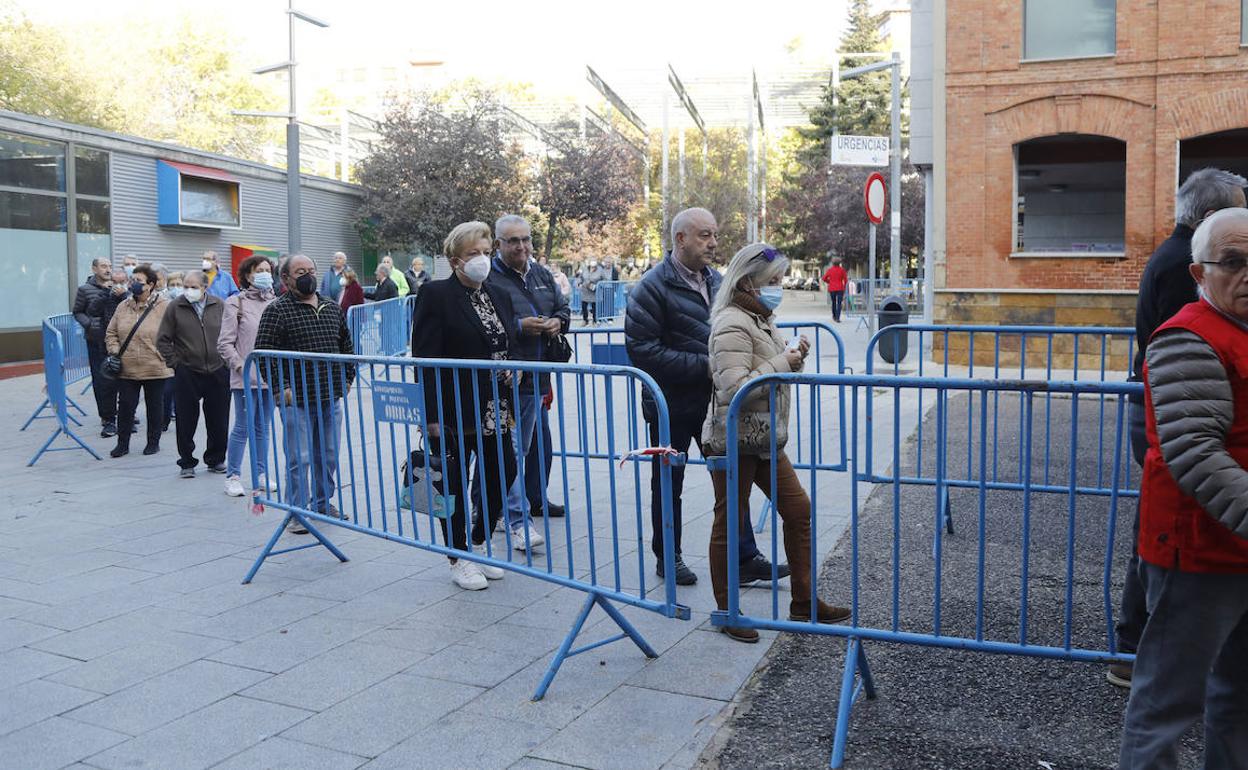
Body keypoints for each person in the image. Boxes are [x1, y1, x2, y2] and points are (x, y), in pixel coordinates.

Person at [1117, 207, 1248, 769]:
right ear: (1199, 273)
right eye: (1234, 263)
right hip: (1196, 553)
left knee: (1239, 699)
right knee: (1166, 705)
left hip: (1235, 546)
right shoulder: (1186, 337)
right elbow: (1195, 454)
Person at [703, 242, 852, 642]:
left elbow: (763, 372)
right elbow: (732, 389)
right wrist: (781, 362)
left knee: (798, 509)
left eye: (780, 279)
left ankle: (804, 603)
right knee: (730, 522)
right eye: (772, 280)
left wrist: (791, 358)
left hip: (765, 438)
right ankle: (727, 610)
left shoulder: (759, 316)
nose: (779, 287)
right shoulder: (732, 322)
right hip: (733, 440)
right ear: (747, 281)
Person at [625, 207, 782, 587]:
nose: (713, 243)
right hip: (670, 406)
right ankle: (669, 555)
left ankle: (744, 556)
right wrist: (706, 365)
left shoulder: (718, 280)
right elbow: (642, 349)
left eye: (714, 235)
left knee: (732, 479)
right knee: (668, 482)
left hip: (717, 404)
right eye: (704, 235)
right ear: (680, 239)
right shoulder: (651, 287)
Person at [411, 221, 522, 591]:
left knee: (502, 471)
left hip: (494, 406)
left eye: (486, 252)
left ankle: (477, 542)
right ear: (456, 260)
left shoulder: (499, 294)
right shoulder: (436, 294)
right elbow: (424, 358)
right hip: (454, 407)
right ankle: (457, 556)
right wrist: (431, 416)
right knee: (452, 482)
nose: (482, 260)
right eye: (474, 253)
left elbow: (507, 344)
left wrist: (513, 370)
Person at [254, 254, 355, 529]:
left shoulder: (332, 307)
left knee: (329, 454)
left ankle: (323, 504)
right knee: (299, 458)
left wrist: (348, 377)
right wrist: (280, 387)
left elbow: (347, 344)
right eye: (300, 271)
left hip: (330, 395)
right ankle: (296, 512)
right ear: (285, 278)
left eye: (311, 270)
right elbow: (264, 353)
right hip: (296, 399)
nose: (307, 275)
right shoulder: (277, 310)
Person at [487, 214, 570, 539]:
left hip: (537, 375)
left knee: (525, 447)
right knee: (509, 449)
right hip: (505, 377)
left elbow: (563, 309)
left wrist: (557, 323)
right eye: (513, 241)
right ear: (498, 244)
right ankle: (515, 518)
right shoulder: (490, 278)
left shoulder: (541, 273)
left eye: (526, 240)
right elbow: (486, 325)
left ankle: (511, 507)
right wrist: (520, 327)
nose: (521, 247)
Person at [157, 270, 230, 478]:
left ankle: (216, 459)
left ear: (205, 288)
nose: (188, 290)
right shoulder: (175, 306)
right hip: (188, 370)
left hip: (217, 369)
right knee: (186, 418)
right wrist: (175, 363)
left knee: (219, 418)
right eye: (185, 286)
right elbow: (162, 339)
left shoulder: (219, 305)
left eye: (193, 286)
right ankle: (186, 461)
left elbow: (230, 333)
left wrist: (225, 361)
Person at [218, 256, 279, 497]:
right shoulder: (236, 303)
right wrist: (239, 365)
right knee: (243, 427)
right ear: (248, 275)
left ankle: (261, 473)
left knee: (263, 427)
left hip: (271, 378)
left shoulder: (277, 302)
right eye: (259, 270)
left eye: (268, 270)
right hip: (245, 378)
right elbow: (225, 342)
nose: (264, 273)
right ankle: (233, 475)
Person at [104, 264, 170, 458]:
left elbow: (176, 333)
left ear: (150, 284)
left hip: (155, 366)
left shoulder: (164, 306)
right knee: (125, 406)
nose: (133, 284)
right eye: (132, 280)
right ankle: (122, 444)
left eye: (138, 281)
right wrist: (115, 351)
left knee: (155, 406)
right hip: (127, 366)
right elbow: (111, 333)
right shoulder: (122, 306)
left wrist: (165, 354)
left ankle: (153, 442)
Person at [73, 258, 119, 435]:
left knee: (120, 378)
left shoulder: (117, 287)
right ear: (94, 268)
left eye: (109, 266)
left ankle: (121, 415)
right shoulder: (85, 289)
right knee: (102, 380)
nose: (108, 269)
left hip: (117, 341)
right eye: (103, 266)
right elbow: (77, 311)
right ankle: (107, 418)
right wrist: (89, 324)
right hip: (96, 340)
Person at [577, 260, 608, 324]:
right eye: (592, 266)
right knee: (584, 305)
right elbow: (580, 278)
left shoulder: (600, 270)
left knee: (594, 306)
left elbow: (604, 280)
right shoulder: (585, 269)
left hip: (594, 291)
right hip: (585, 290)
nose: (593, 268)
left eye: (594, 267)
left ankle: (595, 320)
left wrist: (598, 285)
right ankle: (585, 320)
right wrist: (579, 283)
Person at [821, 256, 849, 322]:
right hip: (840, 288)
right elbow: (846, 280)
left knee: (833, 302)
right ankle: (838, 317)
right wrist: (844, 287)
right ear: (839, 263)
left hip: (832, 288)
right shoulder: (842, 270)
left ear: (833, 263)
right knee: (839, 303)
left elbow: (824, 278)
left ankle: (834, 315)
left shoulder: (830, 270)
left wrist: (829, 282)